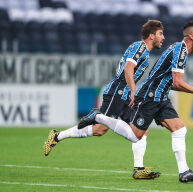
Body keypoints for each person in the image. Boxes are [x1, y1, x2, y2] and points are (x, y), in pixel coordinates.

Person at [78, 21, 193, 183]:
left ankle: (184, 172)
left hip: (161, 98)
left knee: (179, 130)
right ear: (192, 35)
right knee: (136, 136)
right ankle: (98, 116)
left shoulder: (180, 50)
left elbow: (171, 82)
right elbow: (177, 83)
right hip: (149, 97)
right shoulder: (181, 51)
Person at [43, 20, 165, 180]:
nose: (163, 37)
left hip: (125, 94)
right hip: (118, 92)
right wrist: (133, 91)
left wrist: (131, 92)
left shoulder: (142, 51)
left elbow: (122, 68)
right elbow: (128, 69)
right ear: (151, 35)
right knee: (100, 129)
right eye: (160, 34)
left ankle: (139, 168)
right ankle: (60, 135)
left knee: (141, 129)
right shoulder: (140, 47)